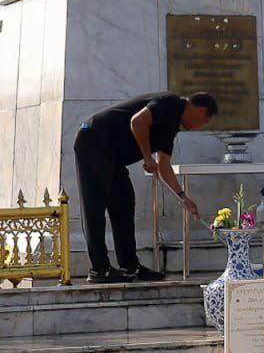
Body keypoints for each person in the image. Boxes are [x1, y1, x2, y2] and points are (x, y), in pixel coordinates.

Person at [74, 92, 219, 283]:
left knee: (124, 203)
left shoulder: (172, 126)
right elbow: (137, 121)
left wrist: (183, 196)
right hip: (94, 140)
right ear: (201, 111)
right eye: (204, 121)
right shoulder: (170, 103)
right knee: (95, 205)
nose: (199, 127)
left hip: (113, 155)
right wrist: (147, 157)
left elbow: (164, 166)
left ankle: (130, 266)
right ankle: (99, 269)